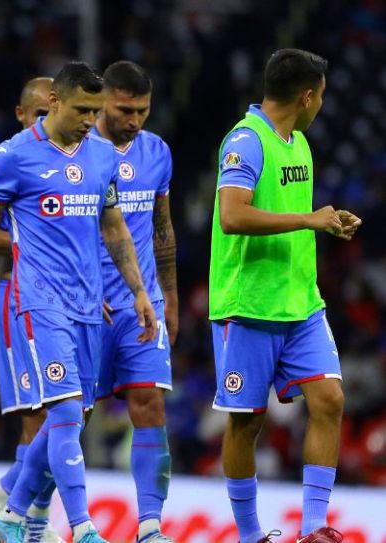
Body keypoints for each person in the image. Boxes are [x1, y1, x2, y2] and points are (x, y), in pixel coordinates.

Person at [0, 62, 157, 543]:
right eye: (82, 109)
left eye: (95, 110)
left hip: (90, 306)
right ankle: (83, 527)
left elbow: (114, 229)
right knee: (62, 414)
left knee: (75, 417)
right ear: (56, 102)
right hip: (37, 303)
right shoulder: (11, 158)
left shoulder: (102, 157)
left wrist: (140, 291)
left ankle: (10, 513)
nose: (90, 119)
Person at [210, 48, 360, 543]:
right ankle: (252, 535)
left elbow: (293, 215)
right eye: (321, 97)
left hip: (301, 303)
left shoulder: (297, 142)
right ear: (308, 95)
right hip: (249, 305)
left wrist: (326, 223)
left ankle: (314, 529)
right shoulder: (246, 141)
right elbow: (233, 215)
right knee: (246, 426)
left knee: (330, 399)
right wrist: (308, 218)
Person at [87, 60, 178, 543]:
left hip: (142, 305)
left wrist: (172, 298)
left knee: (150, 405)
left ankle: (149, 526)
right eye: (125, 109)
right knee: (69, 415)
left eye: (142, 110)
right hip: (86, 304)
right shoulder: (79, 153)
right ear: (104, 101)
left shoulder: (157, 152)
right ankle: (25, 509)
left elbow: (162, 229)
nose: (135, 119)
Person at [0, 76, 65, 543]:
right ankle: (31, 519)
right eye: (37, 115)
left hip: (67, 299)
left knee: (65, 413)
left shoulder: (72, 162)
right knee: (39, 414)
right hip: (18, 294)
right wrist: (35, 239)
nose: (44, 124)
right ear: (20, 114)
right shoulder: (5, 161)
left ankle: (11, 494)